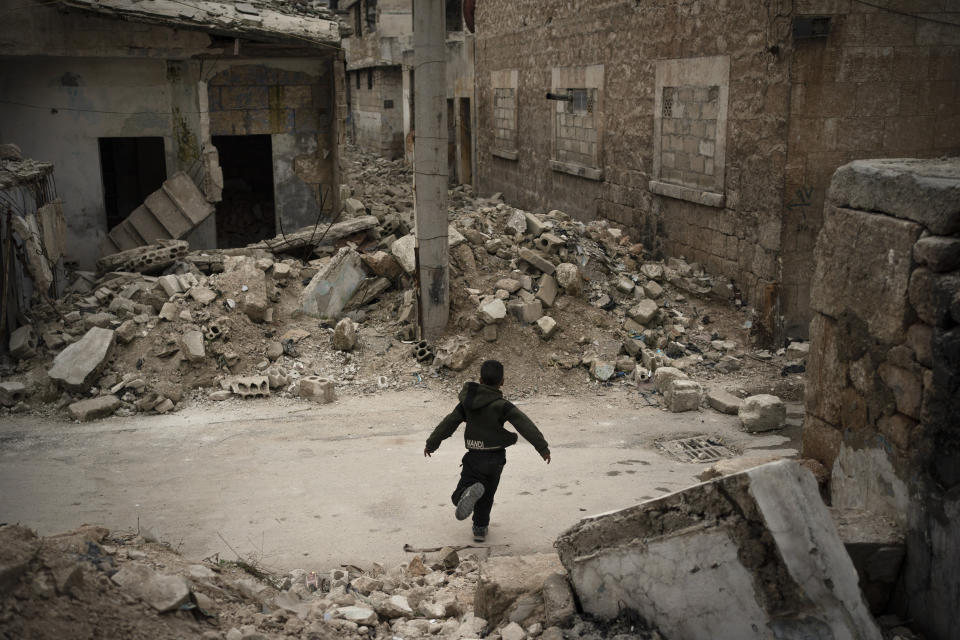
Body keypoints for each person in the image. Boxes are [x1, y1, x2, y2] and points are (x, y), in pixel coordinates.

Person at [423, 359, 551, 542]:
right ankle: (480, 529)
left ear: (480, 380)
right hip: (496, 458)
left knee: (462, 492)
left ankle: (464, 493)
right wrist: (542, 448)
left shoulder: (466, 403)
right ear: (502, 382)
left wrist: (432, 443)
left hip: (475, 457)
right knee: (487, 494)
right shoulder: (502, 405)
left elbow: (449, 423)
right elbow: (524, 424)